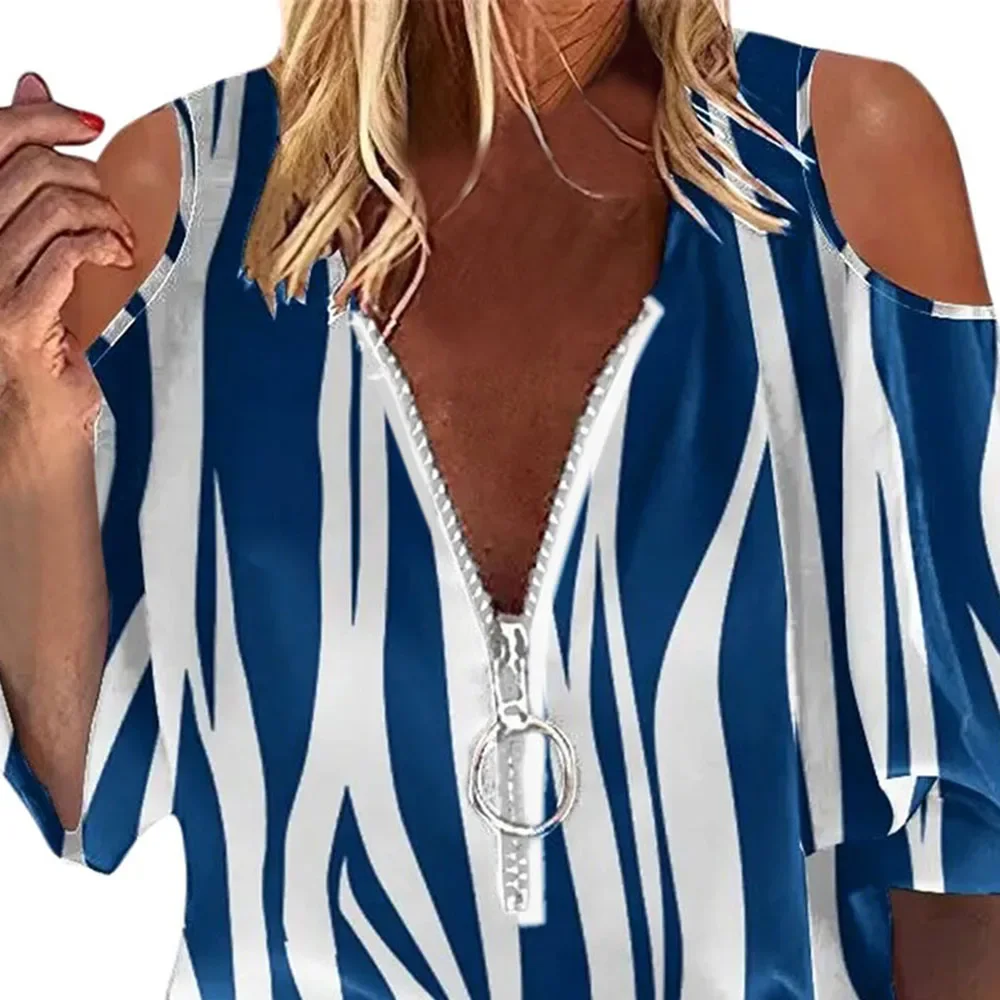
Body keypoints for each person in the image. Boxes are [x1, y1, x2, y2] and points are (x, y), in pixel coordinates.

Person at [0, 0, 997, 996]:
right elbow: (90, 780)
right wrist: (25, 408)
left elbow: (964, 854)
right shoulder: (183, 199)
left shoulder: (831, 163)